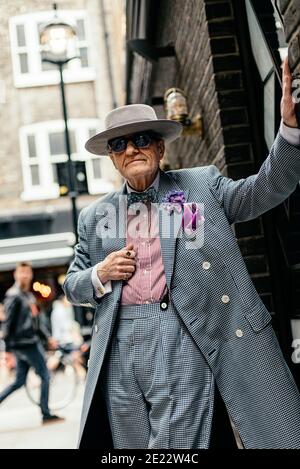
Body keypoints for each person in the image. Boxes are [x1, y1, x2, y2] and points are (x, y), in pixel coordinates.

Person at [64, 58, 300, 449]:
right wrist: (100, 274)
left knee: (181, 443)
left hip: (182, 327)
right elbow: (73, 284)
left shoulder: (201, 186)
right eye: (120, 144)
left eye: (142, 139)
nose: (132, 149)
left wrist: (290, 133)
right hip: (120, 342)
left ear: (159, 146)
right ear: (112, 157)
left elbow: (266, 189)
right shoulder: (95, 217)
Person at [0, 262, 64, 425]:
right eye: (22, 272)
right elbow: (7, 324)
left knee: (19, 381)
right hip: (26, 343)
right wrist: (7, 350)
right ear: (16, 274)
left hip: (28, 341)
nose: (25, 276)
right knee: (44, 375)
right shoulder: (13, 295)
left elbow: (36, 322)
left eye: (27, 272)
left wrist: (48, 337)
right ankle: (46, 414)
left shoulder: (27, 296)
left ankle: (45, 413)